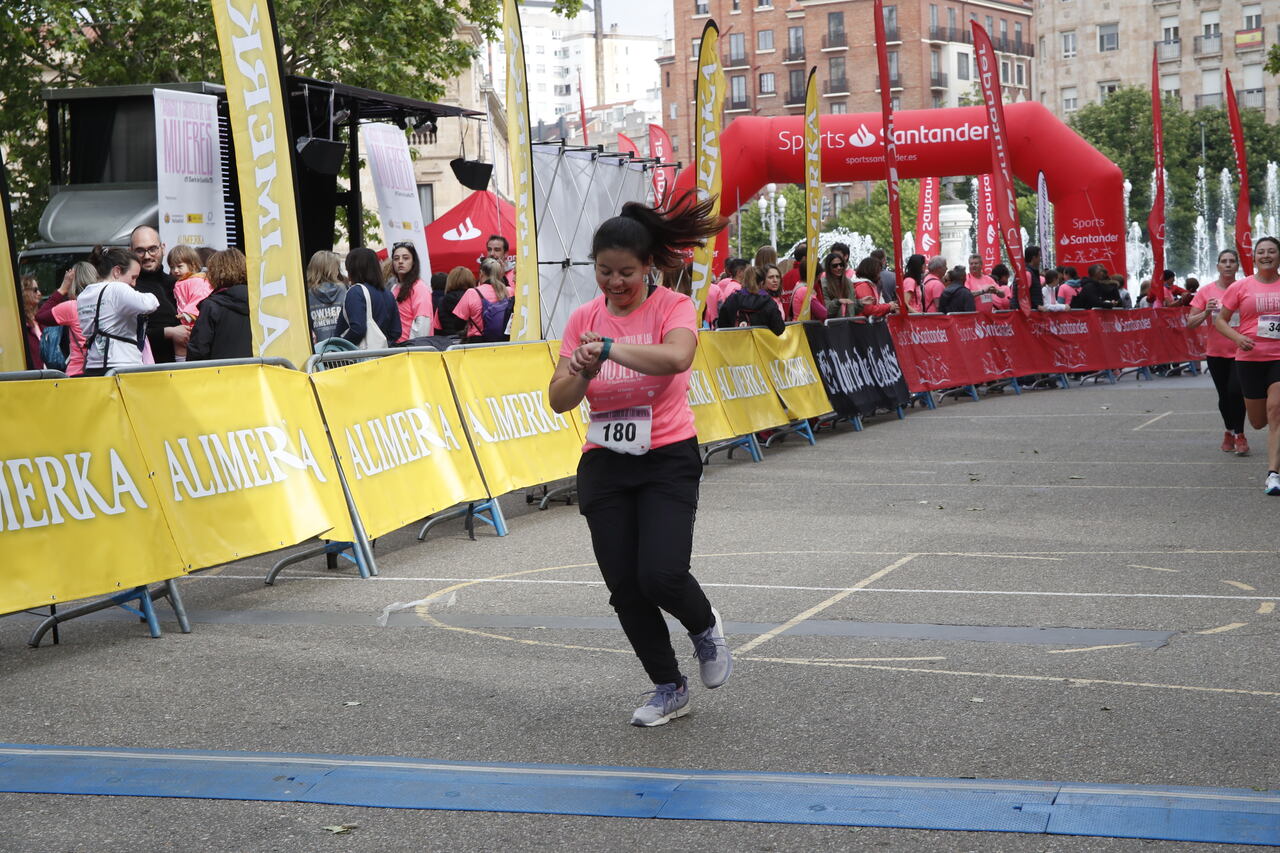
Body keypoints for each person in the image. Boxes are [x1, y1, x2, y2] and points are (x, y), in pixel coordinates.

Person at [547, 190, 732, 727]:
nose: (614, 283)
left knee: (661, 574)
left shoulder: (671, 306)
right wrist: (581, 366)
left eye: (625, 271)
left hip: (667, 456)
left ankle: (703, 626)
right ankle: (668, 687)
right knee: (625, 587)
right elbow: (559, 399)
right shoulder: (583, 316)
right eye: (603, 271)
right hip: (605, 464)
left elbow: (676, 357)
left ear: (648, 266)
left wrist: (607, 349)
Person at [1213, 236, 1280, 494]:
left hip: (1277, 357)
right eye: (1261, 251)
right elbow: (1221, 320)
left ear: (1278, 256)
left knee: (1276, 411)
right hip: (1250, 359)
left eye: (1271, 251)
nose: (1266, 255)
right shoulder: (1241, 287)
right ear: (1254, 257)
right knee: (1258, 421)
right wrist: (1237, 337)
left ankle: (1273, 474)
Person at [1189, 249, 1248, 456]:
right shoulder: (1206, 291)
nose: (1228, 265)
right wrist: (1206, 311)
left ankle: (1240, 435)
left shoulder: (1245, 287)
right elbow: (1190, 323)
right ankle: (1228, 431)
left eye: (1232, 261)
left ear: (1237, 266)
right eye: (1224, 261)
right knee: (1224, 395)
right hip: (1216, 352)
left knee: (1235, 392)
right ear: (1218, 266)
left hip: (1241, 350)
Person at [78, 245, 157, 375]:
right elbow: (149, 304)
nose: (134, 284)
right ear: (117, 272)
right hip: (123, 364)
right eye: (133, 277)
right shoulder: (116, 289)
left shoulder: (84, 295)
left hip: (92, 365)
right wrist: (152, 296)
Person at [129, 225, 185, 363]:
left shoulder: (178, 284)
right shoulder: (126, 289)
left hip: (184, 371)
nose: (147, 256)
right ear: (130, 252)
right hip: (144, 372)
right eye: (140, 251)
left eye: (152, 249)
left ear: (163, 248)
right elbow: (125, 334)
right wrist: (168, 333)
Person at [188, 248, 252, 361]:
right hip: (257, 373)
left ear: (215, 273)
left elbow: (198, 350)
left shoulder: (211, 306)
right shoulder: (259, 303)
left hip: (221, 375)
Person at [40, 262, 98, 377]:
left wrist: (62, 289)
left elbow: (41, 315)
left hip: (77, 372)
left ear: (73, 283)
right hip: (100, 371)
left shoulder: (72, 306)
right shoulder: (105, 304)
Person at [337, 247, 401, 349]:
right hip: (383, 357)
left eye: (348, 268)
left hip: (357, 358)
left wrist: (339, 346)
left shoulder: (356, 292)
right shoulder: (388, 294)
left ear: (354, 269)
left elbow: (358, 329)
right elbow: (396, 331)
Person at [170, 245, 212, 361]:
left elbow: (200, 298)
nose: (175, 270)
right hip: (187, 324)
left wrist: (188, 314)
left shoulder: (197, 281)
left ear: (192, 265)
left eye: (179, 266)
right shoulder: (183, 282)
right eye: (172, 267)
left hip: (194, 323)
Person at [454, 257, 512, 342]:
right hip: (506, 341)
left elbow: (458, 324)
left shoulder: (472, 293)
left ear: (481, 273)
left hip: (478, 342)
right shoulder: (509, 291)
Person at [718, 265, 785, 335]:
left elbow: (722, 324)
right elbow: (779, 328)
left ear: (744, 280)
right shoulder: (768, 301)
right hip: (761, 343)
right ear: (762, 282)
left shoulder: (732, 299)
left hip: (737, 343)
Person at [388, 242, 433, 342]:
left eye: (405, 258)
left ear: (413, 262)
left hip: (411, 349)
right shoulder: (394, 288)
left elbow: (422, 325)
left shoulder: (419, 287)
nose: (400, 261)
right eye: (396, 258)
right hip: (396, 348)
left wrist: (412, 348)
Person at [305, 250, 348, 343]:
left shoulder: (306, 295)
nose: (338, 271)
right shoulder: (344, 290)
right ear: (331, 270)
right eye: (337, 268)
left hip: (318, 351)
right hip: (342, 348)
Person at [437, 266, 476, 337]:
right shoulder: (475, 299)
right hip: (470, 341)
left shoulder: (442, 301)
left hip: (448, 342)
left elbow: (437, 327)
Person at [822, 253, 858, 318]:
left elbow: (852, 308)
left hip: (848, 323)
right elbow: (826, 310)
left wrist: (861, 303)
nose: (839, 268)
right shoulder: (823, 284)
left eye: (841, 265)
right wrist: (837, 302)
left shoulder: (848, 282)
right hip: (832, 324)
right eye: (835, 266)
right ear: (828, 267)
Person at [19, 275, 43, 369]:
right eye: (35, 290)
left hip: (49, 373)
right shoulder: (19, 322)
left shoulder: (41, 317)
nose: (39, 293)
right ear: (24, 291)